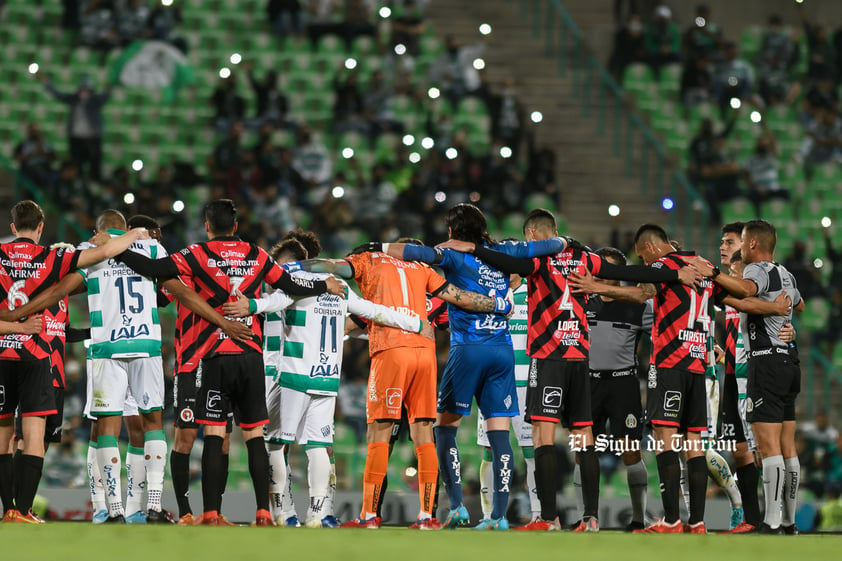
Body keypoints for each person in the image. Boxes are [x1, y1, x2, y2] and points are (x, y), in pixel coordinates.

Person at [440, 212, 699, 532]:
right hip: (580, 359)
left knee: (543, 436)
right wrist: (674, 274)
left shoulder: (541, 261)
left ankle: (548, 519)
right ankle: (590, 519)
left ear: (534, 236)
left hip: (550, 356)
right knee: (583, 437)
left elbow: (509, 262)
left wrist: (473, 249)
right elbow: (626, 271)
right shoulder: (586, 259)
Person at [113, 199, 345, 526]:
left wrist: (114, 249)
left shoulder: (195, 254)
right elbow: (290, 285)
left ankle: (208, 512)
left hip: (214, 355)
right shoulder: (257, 255)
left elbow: (153, 270)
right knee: (253, 436)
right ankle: (263, 512)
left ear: (207, 226)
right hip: (250, 354)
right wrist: (324, 284)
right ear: (236, 226)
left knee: (213, 433)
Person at [300, 228, 514, 530]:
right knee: (425, 433)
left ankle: (369, 516)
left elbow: (333, 268)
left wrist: (295, 267)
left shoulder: (370, 259)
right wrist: (500, 306)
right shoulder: (422, 268)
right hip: (424, 356)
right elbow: (462, 298)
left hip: (391, 350)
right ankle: (427, 516)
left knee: (379, 435)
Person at [223, 230, 420, 528]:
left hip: (287, 373)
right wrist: (415, 322)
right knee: (318, 445)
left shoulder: (289, 279)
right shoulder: (338, 284)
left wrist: (250, 306)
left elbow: (274, 301)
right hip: (326, 376)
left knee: (276, 443)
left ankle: (284, 512)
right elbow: (373, 311)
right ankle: (318, 513)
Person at [0, 201, 147, 523]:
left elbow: (65, 331)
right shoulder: (52, 261)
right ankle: (20, 509)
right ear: (41, 228)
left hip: (10, 357)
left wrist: (11, 324)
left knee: (8, 435)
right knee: (31, 436)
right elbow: (102, 252)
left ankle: (9, 508)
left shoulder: (7, 261)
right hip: (38, 359)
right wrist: (133, 233)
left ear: (13, 228)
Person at [692, 219, 805, 534]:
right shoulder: (776, 275)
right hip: (753, 367)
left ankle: (768, 520)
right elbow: (797, 302)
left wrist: (776, 315)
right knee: (761, 447)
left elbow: (747, 296)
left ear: (748, 244)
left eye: (731, 242)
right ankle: (776, 519)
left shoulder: (751, 275)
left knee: (765, 448)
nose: (725, 248)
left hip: (758, 369)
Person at [564, 247, 652, 531]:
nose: (603, 274)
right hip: (586, 382)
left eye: (610, 270)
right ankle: (585, 516)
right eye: (600, 268)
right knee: (581, 449)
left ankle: (639, 517)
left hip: (623, 382)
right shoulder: (581, 300)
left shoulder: (639, 305)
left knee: (630, 451)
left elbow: (666, 330)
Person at [476, 272, 539, 525]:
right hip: (494, 382)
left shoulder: (534, 293)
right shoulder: (487, 293)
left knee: (531, 451)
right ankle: (489, 515)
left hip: (526, 383)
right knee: (489, 451)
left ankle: (537, 514)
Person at [42, 74, 111, 182]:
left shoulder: (95, 101)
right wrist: (47, 83)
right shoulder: (73, 99)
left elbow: (105, 96)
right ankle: (78, 186)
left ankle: (94, 185)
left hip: (92, 137)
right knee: (77, 164)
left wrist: (108, 88)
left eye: (87, 89)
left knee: (94, 164)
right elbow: (59, 95)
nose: (84, 92)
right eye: (83, 89)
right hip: (76, 137)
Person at [14, 123, 58, 195]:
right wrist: (33, 153)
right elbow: (18, 157)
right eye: (32, 131)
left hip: (45, 167)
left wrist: (43, 152)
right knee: (38, 173)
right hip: (29, 169)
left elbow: (53, 158)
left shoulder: (46, 143)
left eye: (36, 131)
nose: (34, 133)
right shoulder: (23, 144)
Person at [644, 5, 681, 77]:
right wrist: (659, 48)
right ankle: (654, 77)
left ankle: (676, 76)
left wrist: (669, 49)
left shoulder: (673, 28)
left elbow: (677, 43)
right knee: (651, 57)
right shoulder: (651, 28)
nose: (662, 20)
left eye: (664, 18)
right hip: (656, 52)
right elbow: (648, 43)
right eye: (660, 18)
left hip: (670, 52)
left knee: (678, 57)